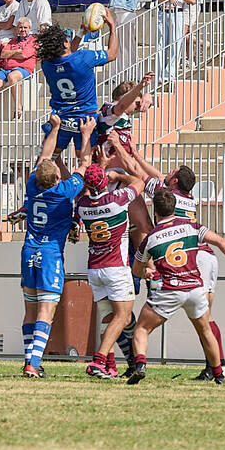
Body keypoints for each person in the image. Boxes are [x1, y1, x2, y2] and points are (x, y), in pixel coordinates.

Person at [125, 187, 225, 386]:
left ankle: (140, 364)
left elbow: (136, 269)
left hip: (169, 290)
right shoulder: (191, 226)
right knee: (205, 330)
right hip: (194, 289)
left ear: (155, 212)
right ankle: (219, 373)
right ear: (175, 207)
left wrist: (146, 272)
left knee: (141, 329)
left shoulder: (150, 238)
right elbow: (219, 241)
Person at [18, 115, 94, 378]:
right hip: (50, 254)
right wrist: (86, 133)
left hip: (28, 251)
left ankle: (30, 360)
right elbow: (85, 163)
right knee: (46, 311)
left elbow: (44, 157)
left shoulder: (31, 186)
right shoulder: (64, 191)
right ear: (57, 177)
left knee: (30, 310)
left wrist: (56, 129)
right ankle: (33, 363)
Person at [72, 162, 140, 380]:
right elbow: (139, 182)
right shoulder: (117, 199)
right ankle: (99, 360)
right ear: (104, 182)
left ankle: (109, 366)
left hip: (95, 267)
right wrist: (115, 175)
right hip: (116, 268)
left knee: (108, 317)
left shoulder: (82, 204)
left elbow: (84, 196)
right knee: (123, 316)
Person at [36, 14, 116, 167]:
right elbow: (112, 54)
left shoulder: (47, 64)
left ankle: (40, 188)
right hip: (85, 120)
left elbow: (67, 55)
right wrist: (112, 27)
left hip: (61, 120)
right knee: (87, 164)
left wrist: (80, 33)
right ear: (65, 44)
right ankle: (86, 191)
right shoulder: (82, 58)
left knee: (46, 161)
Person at [155, 0, 194, 83]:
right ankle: (160, 73)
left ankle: (170, 73)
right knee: (161, 44)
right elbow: (159, 0)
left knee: (176, 43)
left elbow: (192, 0)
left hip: (177, 13)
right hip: (164, 12)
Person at [105, 0, 140, 79]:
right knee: (119, 46)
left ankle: (134, 73)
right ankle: (118, 74)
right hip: (121, 14)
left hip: (126, 14)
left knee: (128, 46)